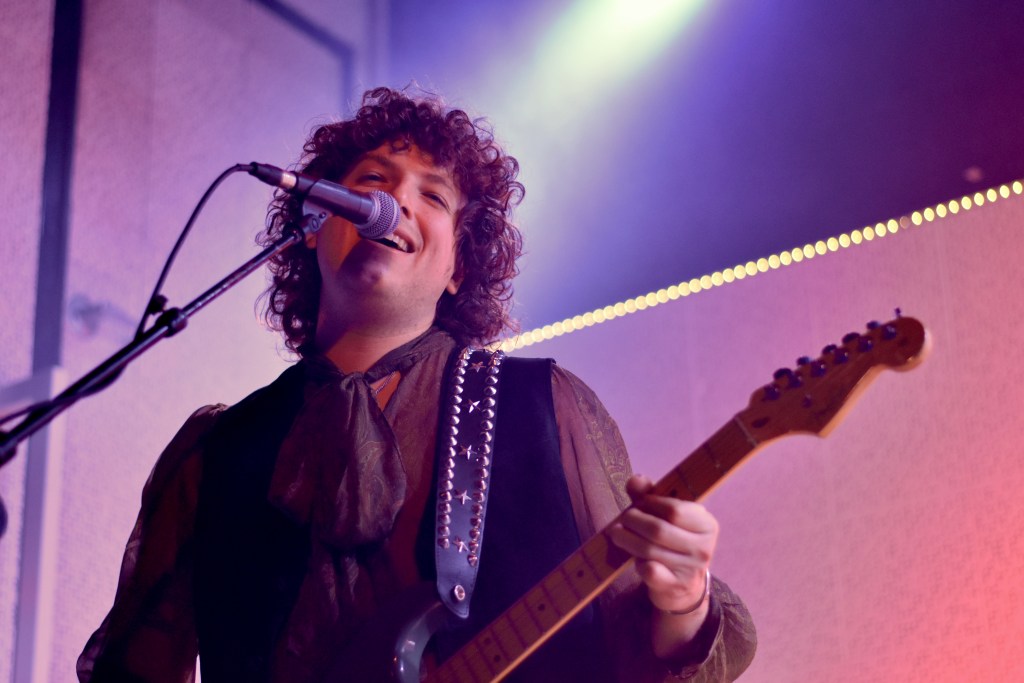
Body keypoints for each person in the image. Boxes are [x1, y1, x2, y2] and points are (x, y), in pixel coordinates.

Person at [78, 87, 756, 682]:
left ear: (460, 267)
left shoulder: (544, 407)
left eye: (432, 194)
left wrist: (683, 599)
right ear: (315, 227)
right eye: (372, 178)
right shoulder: (218, 450)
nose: (395, 198)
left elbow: (639, 651)